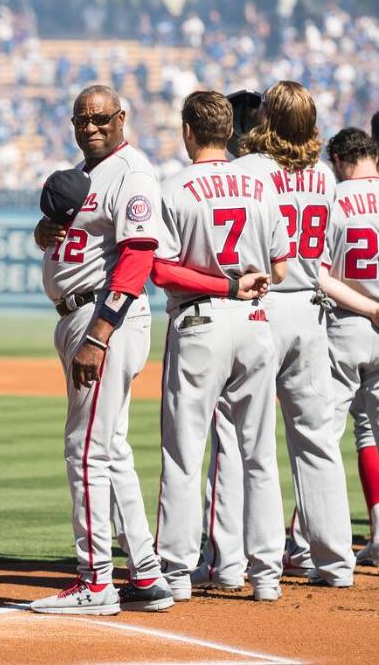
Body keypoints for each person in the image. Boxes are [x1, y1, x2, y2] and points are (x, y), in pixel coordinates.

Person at [193, 81, 356, 589]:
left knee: (240, 440)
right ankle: (334, 563)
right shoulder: (326, 178)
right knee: (318, 441)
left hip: (258, 307)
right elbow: (327, 256)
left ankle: (233, 561)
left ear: (267, 118)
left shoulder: (245, 171)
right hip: (311, 312)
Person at [30, 84, 174, 615]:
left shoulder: (133, 172)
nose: (90, 127)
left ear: (121, 118)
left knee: (84, 450)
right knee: (110, 449)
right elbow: (73, 238)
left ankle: (94, 582)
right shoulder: (86, 173)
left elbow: (138, 257)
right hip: (82, 314)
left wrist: (99, 335)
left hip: (102, 319)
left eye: (100, 119)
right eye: (81, 120)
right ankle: (146, 575)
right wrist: (46, 232)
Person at [152, 90, 290, 603]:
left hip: (199, 323)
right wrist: (241, 283)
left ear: (189, 130)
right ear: (229, 132)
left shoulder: (175, 188)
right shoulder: (260, 186)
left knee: (186, 453)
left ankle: (177, 571)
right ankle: (266, 575)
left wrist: (222, 284)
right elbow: (280, 267)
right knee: (259, 453)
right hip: (255, 321)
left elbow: (162, 270)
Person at [322, 127, 379, 566]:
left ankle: (320, 545)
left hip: (347, 322)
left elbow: (318, 274)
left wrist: (369, 308)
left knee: (323, 437)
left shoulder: (334, 197)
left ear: (339, 158)